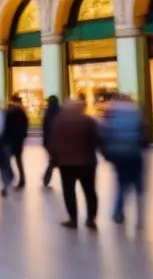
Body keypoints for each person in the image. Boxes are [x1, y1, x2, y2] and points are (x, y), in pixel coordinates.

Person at [48, 98, 100, 229]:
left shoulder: (59, 121)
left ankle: (73, 219)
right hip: (87, 162)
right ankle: (91, 219)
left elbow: (53, 141)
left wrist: (54, 159)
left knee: (69, 191)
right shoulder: (89, 121)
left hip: (66, 163)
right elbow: (97, 140)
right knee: (90, 191)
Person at [101, 94, 148, 226]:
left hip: (117, 153)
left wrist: (106, 152)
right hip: (134, 152)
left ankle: (118, 211)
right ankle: (140, 217)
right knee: (138, 185)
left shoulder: (111, 110)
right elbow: (144, 131)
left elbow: (104, 132)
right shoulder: (136, 110)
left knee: (121, 184)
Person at [3, 94, 29, 189]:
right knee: (18, 160)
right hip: (19, 139)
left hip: (9, 139)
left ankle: (10, 177)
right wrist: (23, 135)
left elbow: (5, 124)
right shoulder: (22, 111)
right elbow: (25, 125)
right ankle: (22, 179)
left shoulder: (8, 111)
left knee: (6, 160)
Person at [41, 95, 61, 187]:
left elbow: (45, 127)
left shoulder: (47, 112)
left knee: (54, 160)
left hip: (49, 140)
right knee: (56, 160)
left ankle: (46, 178)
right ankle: (46, 178)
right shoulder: (60, 111)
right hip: (59, 140)